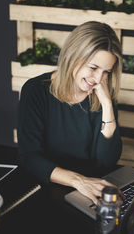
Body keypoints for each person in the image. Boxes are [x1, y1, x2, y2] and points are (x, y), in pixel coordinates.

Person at [17, 21, 123, 204]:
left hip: (89, 190)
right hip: (46, 187)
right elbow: (29, 157)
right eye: (93, 68)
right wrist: (78, 181)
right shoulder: (35, 91)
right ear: (73, 57)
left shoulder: (102, 95)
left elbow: (107, 162)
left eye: (106, 72)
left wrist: (107, 105)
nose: (98, 79)